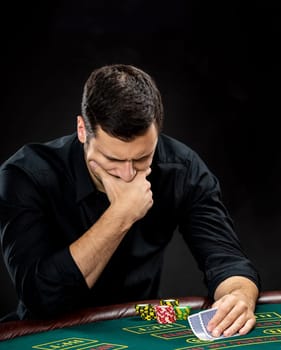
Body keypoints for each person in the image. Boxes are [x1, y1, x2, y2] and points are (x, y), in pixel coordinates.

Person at [0, 64, 260, 337]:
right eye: (112, 159)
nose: (128, 174)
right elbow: (41, 299)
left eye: (141, 158)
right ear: (81, 130)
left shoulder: (181, 168)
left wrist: (239, 294)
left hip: (141, 332)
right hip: (45, 334)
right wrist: (122, 215)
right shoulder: (26, 175)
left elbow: (227, 262)